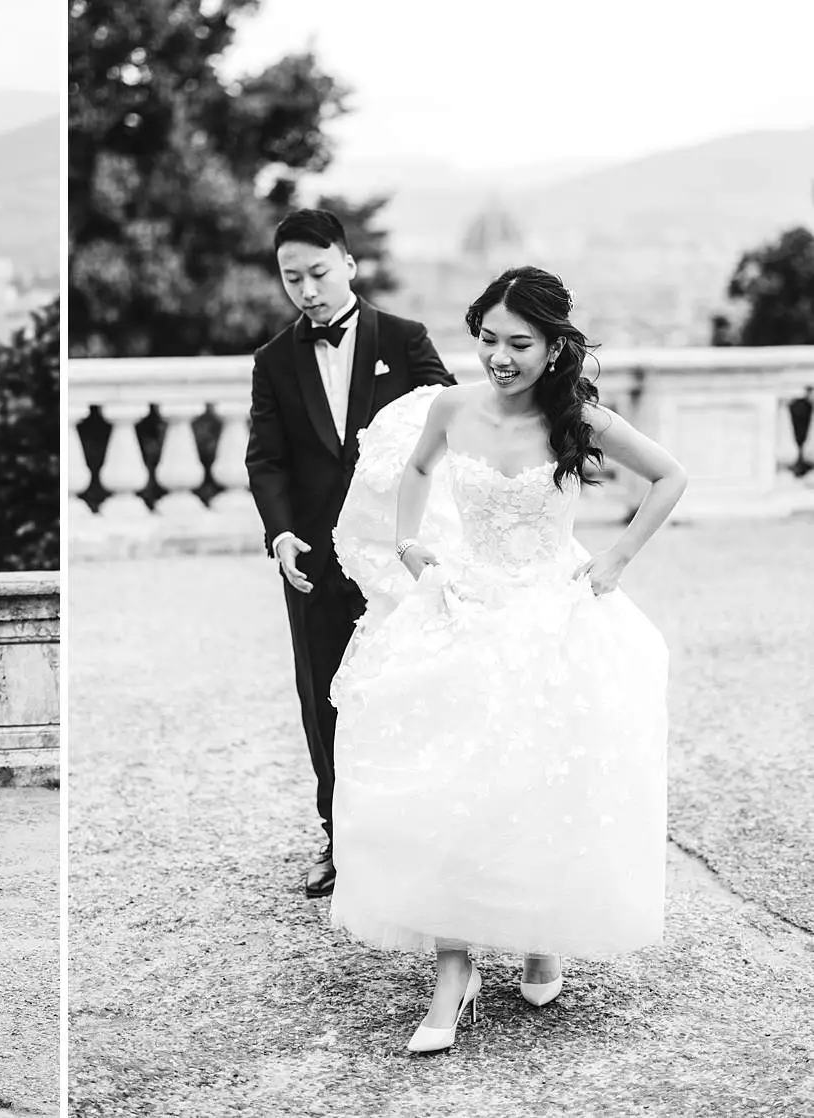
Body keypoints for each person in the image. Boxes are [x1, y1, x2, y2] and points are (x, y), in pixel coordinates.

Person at [327, 266, 688, 1053]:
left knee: (542, 774)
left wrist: (616, 560)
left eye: (519, 343)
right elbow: (417, 468)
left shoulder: (579, 417)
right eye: (488, 339)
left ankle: (540, 930)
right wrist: (410, 543)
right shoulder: (453, 406)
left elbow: (669, 477)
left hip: (551, 611)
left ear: (555, 346)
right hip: (465, 603)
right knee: (451, 778)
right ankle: (454, 971)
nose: (499, 356)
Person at [244, 208, 455, 898]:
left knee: (409, 689)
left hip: (396, 553)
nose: (305, 290)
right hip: (314, 558)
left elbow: (453, 425)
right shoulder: (273, 361)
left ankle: (416, 833)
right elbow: (266, 461)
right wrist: (280, 535)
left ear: (348, 265)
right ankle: (340, 840)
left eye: (317, 272)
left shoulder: (406, 338)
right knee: (324, 697)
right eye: (291, 278)